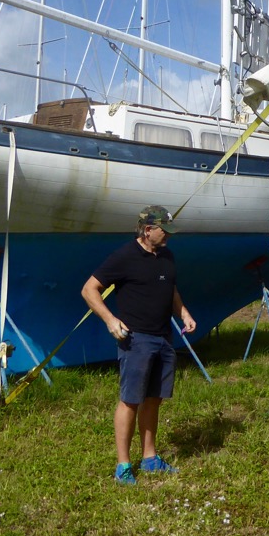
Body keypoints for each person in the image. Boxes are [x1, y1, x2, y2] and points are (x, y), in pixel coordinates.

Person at [82, 204, 196, 485]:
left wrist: (183, 312)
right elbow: (89, 289)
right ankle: (123, 465)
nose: (168, 236)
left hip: (163, 338)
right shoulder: (124, 256)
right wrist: (110, 319)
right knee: (130, 400)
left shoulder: (166, 255)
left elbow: (170, 288)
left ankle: (149, 458)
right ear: (147, 230)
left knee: (154, 399)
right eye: (163, 230)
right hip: (136, 340)